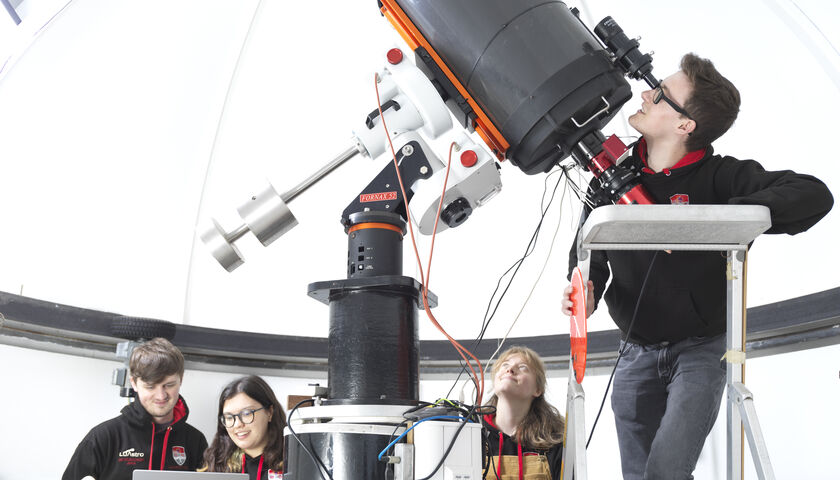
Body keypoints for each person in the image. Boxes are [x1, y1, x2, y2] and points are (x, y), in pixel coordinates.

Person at [562, 53, 834, 479]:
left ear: (685, 124)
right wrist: (585, 287)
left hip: (700, 351)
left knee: (666, 471)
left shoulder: (720, 177)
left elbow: (814, 194)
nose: (646, 94)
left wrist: (720, 219)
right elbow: (588, 247)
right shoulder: (611, 177)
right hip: (634, 350)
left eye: (662, 94)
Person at [63, 337, 208, 480]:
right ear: (134, 383)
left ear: (181, 379)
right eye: (150, 386)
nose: (161, 395)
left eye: (169, 385)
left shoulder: (196, 441)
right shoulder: (103, 438)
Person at [483, 346, 565, 480]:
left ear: (538, 390)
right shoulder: (471, 432)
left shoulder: (554, 440)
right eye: (505, 365)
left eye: (522, 367)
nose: (510, 370)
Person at [200, 375, 286, 480]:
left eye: (246, 413)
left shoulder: (293, 461)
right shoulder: (216, 464)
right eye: (229, 417)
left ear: (269, 412)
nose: (237, 424)